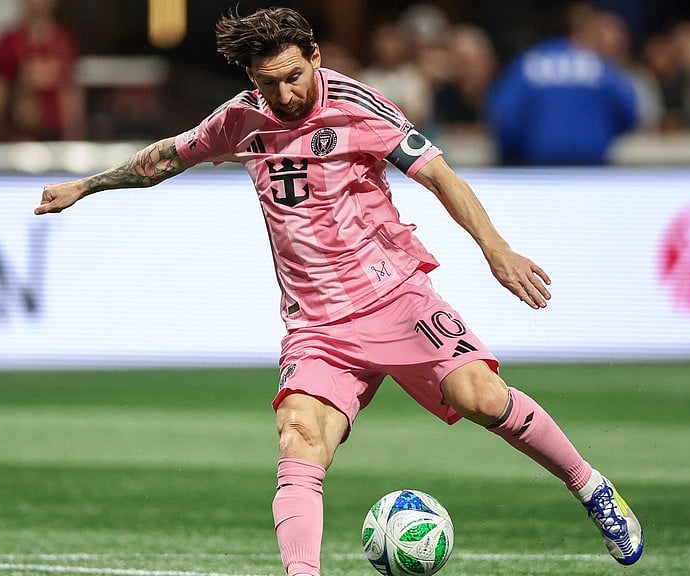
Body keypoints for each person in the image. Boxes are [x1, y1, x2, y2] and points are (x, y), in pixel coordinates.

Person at [34, 7, 644, 576]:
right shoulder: (242, 119)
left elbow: (439, 176)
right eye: (269, 82)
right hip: (318, 326)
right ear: (252, 77)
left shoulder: (358, 107)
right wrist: (87, 186)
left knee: (483, 397)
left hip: (396, 297)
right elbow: (170, 156)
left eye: (294, 77)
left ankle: (591, 488)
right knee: (299, 434)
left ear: (316, 57)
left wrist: (495, 249)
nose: (285, 94)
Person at [487, 2, 639, 165]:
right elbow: (631, 112)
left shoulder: (526, 64)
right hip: (593, 172)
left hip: (537, 172)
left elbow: (503, 119)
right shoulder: (598, 65)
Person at [0, 0, 84, 141]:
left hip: (57, 132)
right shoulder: (7, 42)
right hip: (20, 133)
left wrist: (76, 133)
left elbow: (72, 92)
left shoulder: (66, 39)